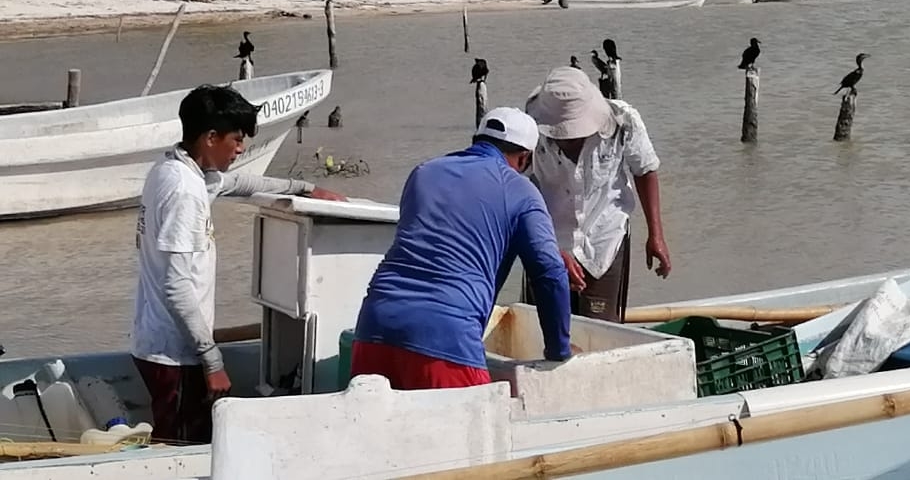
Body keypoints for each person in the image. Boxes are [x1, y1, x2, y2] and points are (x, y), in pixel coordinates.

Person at [131, 84, 346, 445]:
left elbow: (238, 183)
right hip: (175, 354)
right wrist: (212, 361)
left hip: (158, 341)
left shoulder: (173, 168)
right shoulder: (184, 192)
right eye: (237, 138)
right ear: (211, 137)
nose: (242, 147)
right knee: (181, 449)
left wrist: (305, 189)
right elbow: (176, 287)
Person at [351, 107, 573, 390]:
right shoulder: (520, 189)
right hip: (446, 338)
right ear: (525, 158)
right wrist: (558, 351)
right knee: (471, 432)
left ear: (476, 140)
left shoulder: (424, 172)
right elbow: (548, 272)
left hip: (374, 326)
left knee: (378, 433)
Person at [521, 66, 672, 323]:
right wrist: (542, 248)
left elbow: (645, 171)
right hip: (550, 242)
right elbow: (511, 187)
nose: (569, 138)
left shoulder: (623, 122)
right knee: (543, 329)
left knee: (601, 330)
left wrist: (656, 235)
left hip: (605, 240)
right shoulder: (527, 132)